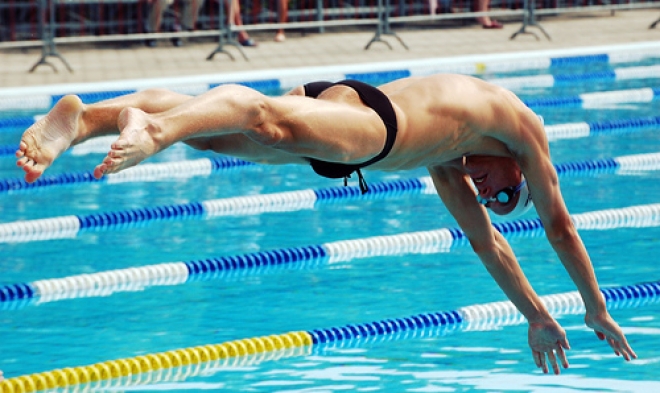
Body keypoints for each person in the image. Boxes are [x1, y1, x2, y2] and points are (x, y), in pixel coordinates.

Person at [15, 74, 636, 375]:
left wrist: (534, 314)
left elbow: (488, 244)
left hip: (357, 120)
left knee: (216, 136)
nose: (490, 195)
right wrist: (594, 305)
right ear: (522, 173)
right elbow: (561, 229)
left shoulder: (454, 163)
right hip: (376, 127)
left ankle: (85, 119)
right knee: (262, 117)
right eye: (504, 195)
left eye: (495, 199)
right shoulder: (524, 131)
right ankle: (152, 129)